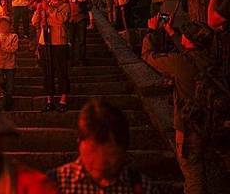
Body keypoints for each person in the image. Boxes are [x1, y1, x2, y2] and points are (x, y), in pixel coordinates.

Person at [142, 17, 229, 194]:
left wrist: (151, 32)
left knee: (193, 175)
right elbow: (190, 53)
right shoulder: (212, 58)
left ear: (187, 39)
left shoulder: (180, 63)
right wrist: (171, 32)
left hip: (189, 128)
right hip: (214, 123)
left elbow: (148, 57)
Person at [50, 98, 157, 193]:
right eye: (93, 150)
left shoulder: (143, 188)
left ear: (124, 149)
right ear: (79, 143)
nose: (100, 161)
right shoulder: (53, 185)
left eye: (111, 153)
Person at [32, 0, 71, 112]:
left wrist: (48, 9)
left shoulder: (64, 6)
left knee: (61, 71)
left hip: (59, 42)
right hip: (45, 42)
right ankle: (49, 99)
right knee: (47, 72)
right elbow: (34, 22)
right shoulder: (44, 5)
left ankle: (63, 99)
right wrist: (38, 10)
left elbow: (61, 20)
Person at [0, 16, 19, 111]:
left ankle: (7, 104)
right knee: (0, 81)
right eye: (2, 25)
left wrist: (3, 47)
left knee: (10, 85)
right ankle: (7, 96)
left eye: (6, 25)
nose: (4, 27)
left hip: (10, 64)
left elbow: (14, 49)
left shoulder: (14, 36)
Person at [65, 0, 91, 66]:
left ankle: (81, 59)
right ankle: (72, 59)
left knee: (81, 40)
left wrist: (81, 10)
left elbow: (85, 5)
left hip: (80, 18)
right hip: (71, 19)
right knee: (70, 40)